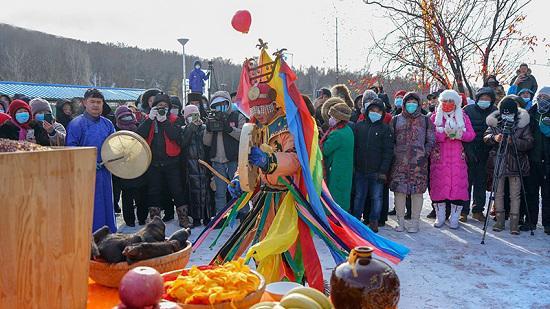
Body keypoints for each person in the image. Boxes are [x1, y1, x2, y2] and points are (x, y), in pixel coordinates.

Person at [137, 93, 191, 228]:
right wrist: (150, 119)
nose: (162, 108)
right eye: (159, 106)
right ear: (153, 107)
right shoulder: (148, 119)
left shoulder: (174, 119)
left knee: (177, 190)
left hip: (172, 161)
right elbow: (139, 135)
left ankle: (183, 218)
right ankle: (155, 220)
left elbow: (175, 136)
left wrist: (164, 121)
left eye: (165, 106)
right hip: (153, 162)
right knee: (153, 191)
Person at [66, 89, 116, 232]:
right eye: (92, 102)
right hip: (84, 175)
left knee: (107, 205)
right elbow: (70, 148)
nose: (96, 105)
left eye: (99, 102)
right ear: (84, 103)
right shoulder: (76, 124)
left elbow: (115, 144)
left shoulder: (108, 124)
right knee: (89, 208)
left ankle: (109, 237)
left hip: (105, 172)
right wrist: (87, 163)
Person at [484, 95, 533, 234]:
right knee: (498, 193)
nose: (507, 115)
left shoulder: (522, 123)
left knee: (515, 195)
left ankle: (514, 223)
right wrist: (495, 138)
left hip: (516, 164)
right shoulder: (495, 122)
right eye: (504, 112)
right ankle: (499, 221)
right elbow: (486, 137)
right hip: (498, 162)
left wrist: (514, 142)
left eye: (510, 112)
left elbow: (529, 142)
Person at [430, 90, 475, 229]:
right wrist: (444, 133)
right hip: (440, 158)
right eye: (445, 101)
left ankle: (455, 218)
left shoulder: (463, 117)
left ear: (456, 103)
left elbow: (471, 135)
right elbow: (430, 136)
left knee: (458, 187)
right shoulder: (434, 117)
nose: (448, 104)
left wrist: (458, 134)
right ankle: (440, 216)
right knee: (439, 187)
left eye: (451, 101)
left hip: (457, 159)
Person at [390, 92, 435, 232]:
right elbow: (390, 140)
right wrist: (395, 153)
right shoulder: (396, 120)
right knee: (399, 192)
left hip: (419, 164)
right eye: (408, 102)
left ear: (419, 104)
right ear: (404, 104)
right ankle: (400, 221)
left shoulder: (426, 120)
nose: (411, 105)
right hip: (399, 163)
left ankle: (415, 222)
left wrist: (424, 153)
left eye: (414, 102)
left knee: (417, 193)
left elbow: (431, 140)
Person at [203, 91, 246, 218]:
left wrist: (228, 128)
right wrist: (209, 129)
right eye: (216, 105)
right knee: (219, 191)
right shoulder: (211, 119)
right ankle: (221, 216)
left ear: (228, 103)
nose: (219, 108)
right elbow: (206, 142)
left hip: (234, 160)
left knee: (239, 188)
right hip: (217, 161)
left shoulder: (237, 116)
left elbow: (243, 136)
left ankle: (243, 212)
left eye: (223, 104)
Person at [352, 98, 393, 232]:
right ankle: (356, 219)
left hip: (377, 171)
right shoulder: (359, 126)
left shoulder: (385, 129)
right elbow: (355, 148)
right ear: (367, 111)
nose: (375, 113)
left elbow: (388, 152)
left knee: (376, 197)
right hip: (360, 170)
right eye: (372, 110)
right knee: (359, 196)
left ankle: (374, 220)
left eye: (378, 111)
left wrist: (383, 171)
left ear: (382, 113)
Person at [462, 87, 498, 222]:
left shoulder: (495, 112)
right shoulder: (467, 110)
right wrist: (467, 151)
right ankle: (463, 211)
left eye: (488, 99)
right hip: (469, 152)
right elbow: (462, 130)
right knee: (466, 183)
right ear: (477, 99)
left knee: (481, 184)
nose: (485, 101)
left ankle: (478, 210)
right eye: (482, 99)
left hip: (486, 153)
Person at [113, 105, 148, 226]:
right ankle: (130, 221)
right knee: (128, 197)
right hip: (124, 170)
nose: (127, 119)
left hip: (139, 167)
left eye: (129, 116)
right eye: (124, 117)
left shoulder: (138, 128)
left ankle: (141, 218)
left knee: (141, 197)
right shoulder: (115, 132)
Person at [524, 86, 550, 234]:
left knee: (547, 194)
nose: (542, 100)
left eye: (545, 98)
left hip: (547, 161)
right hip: (532, 160)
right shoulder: (531, 113)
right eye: (540, 97)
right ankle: (530, 221)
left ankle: (547, 223)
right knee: (531, 192)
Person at [320, 99, 354, 213]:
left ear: (339, 118)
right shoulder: (348, 130)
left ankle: (334, 222)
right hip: (345, 171)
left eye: (332, 116)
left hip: (336, 172)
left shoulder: (337, 134)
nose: (330, 119)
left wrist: (319, 140)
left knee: (335, 199)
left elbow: (325, 150)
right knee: (343, 197)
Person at [181, 104, 212, 226]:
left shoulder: (204, 128)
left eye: (195, 115)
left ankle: (208, 216)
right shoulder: (183, 129)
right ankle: (196, 218)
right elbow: (183, 144)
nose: (193, 118)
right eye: (190, 116)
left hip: (205, 164)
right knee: (193, 192)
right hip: (190, 166)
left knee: (207, 193)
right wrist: (191, 127)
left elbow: (209, 145)